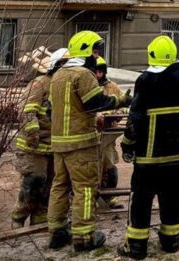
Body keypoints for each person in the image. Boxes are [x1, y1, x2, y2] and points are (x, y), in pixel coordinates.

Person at [46, 31, 132, 252]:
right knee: (85, 188)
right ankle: (84, 237)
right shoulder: (83, 75)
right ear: (85, 50)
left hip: (59, 144)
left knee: (60, 186)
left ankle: (57, 232)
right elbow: (96, 102)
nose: (96, 55)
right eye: (95, 50)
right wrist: (123, 100)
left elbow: (49, 110)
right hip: (81, 144)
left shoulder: (58, 75)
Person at [117, 36, 179, 259]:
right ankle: (171, 240)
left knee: (141, 201)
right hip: (176, 157)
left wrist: (127, 145)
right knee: (172, 199)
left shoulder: (145, 80)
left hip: (148, 159)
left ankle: (136, 246)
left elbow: (135, 118)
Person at [11, 48, 68, 228]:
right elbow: (26, 110)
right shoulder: (40, 84)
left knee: (50, 187)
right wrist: (33, 132)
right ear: (57, 66)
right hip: (33, 147)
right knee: (34, 182)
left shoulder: (66, 85)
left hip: (54, 146)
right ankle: (18, 219)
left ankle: (40, 221)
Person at [94, 56, 125, 209]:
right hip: (91, 136)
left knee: (110, 166)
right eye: (95, 71)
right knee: (91, 168)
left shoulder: (113, 87)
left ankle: (110, 197)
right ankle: (91, 198)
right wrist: (98, 118)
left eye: (101, 71)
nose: (98, 75)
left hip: (108, 137)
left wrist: (116, 114)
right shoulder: (87, 86)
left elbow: (124, 105)